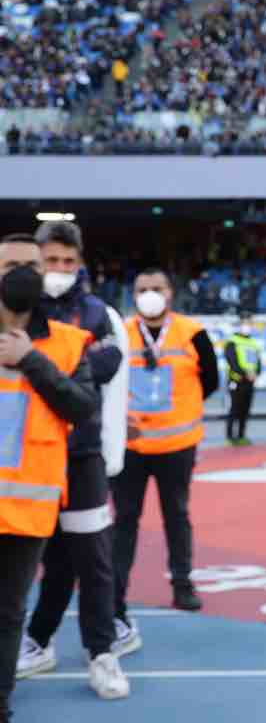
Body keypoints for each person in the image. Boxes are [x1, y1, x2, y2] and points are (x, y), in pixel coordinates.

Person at [16, 223, 130, 699]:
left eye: (68, 261)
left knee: (92, 557)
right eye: (51, 261)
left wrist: (43, 366)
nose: (59, 271)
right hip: (27, 456)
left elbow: (106, 366)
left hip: (80, 453)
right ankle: (38, 639)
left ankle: (101, 653)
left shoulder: (98, 313)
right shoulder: (18, 310)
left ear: (79, 263)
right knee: (46, 558)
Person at [0, 233, 99, 723]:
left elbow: (82, 406)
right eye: (10, 264)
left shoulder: (65, 341)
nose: (20, 273)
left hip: (26, 505)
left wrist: (32, 362)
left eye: (29, 266)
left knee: (7, 614)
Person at [112, 268, 220, 651]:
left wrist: (179, 413)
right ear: (133, 294)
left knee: (177, 515)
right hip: (130, 446)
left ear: (171, 293)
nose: (150, 295)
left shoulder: (193, 333)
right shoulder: (119, 332)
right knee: (123, 521)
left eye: (156, 288)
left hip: (177, 445)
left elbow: (211, 381)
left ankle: (182, 584)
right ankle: (114, 597)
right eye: (142, 289)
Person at [223, 310, 261, 446]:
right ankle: (230, 436)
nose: (248, 325)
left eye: (250, 322)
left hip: (250, 382)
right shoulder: (232, 341)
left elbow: (258, 363)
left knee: (245, 410)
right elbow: (232, 362)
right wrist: (246, 374)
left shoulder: (253, 343)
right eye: (245, 322)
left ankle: (241, 435)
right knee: (234, 409)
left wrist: (256, 373)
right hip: (236, 380)